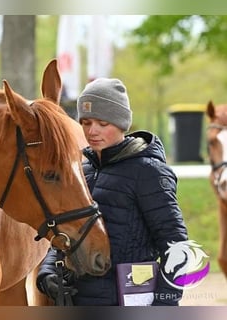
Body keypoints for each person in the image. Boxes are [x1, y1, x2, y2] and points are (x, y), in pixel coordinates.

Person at [36, 78, 189, 306]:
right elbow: (63, 235)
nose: (92, 131)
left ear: (120, 123)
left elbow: (177, 245)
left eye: (102, 123)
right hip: (77, 300)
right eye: (86, 122)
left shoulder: (148, 172)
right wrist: (47, 273)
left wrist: (163, 304)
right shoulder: (80, 171)